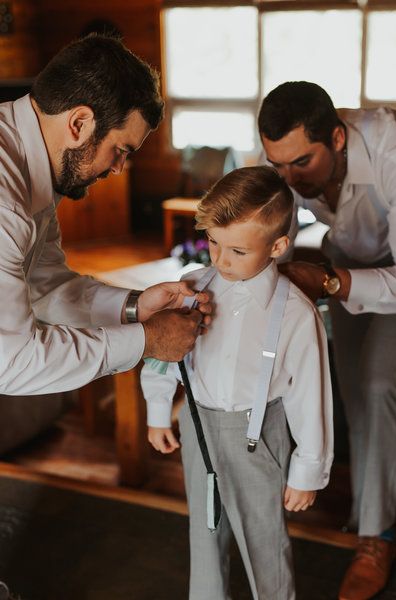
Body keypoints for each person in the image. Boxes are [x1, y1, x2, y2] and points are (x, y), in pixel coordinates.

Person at [0, 34, 213, 598]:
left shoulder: (28, 163)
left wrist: (133, 306)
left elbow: (46, 286)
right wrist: (145, 342)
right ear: (79, 123)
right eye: (121, 150)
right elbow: (12, 360)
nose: (120, 169)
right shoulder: (3, 200)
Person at [141, 166, 333, 599]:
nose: (220, 261)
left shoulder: (296, 314)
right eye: (213, 242)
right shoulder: (190, 289)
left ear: (279, 246)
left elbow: (309, 396)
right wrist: (158, 412)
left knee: (263, 539)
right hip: (198, 426)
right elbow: (161, 354)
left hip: (259, 434)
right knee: (204, 531)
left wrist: (307, 469)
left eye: (237, 251)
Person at [258, 81, 396, 600]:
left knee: (381, 382)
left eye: (301, 164)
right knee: (355, 397)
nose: (290, 178)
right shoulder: (285, 159)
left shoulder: (391, 150)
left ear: (337, 139)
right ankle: (376, 512)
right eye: (279, 166)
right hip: (345, 267)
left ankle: (375, 540)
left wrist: (332, 282)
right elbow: (274, 231)